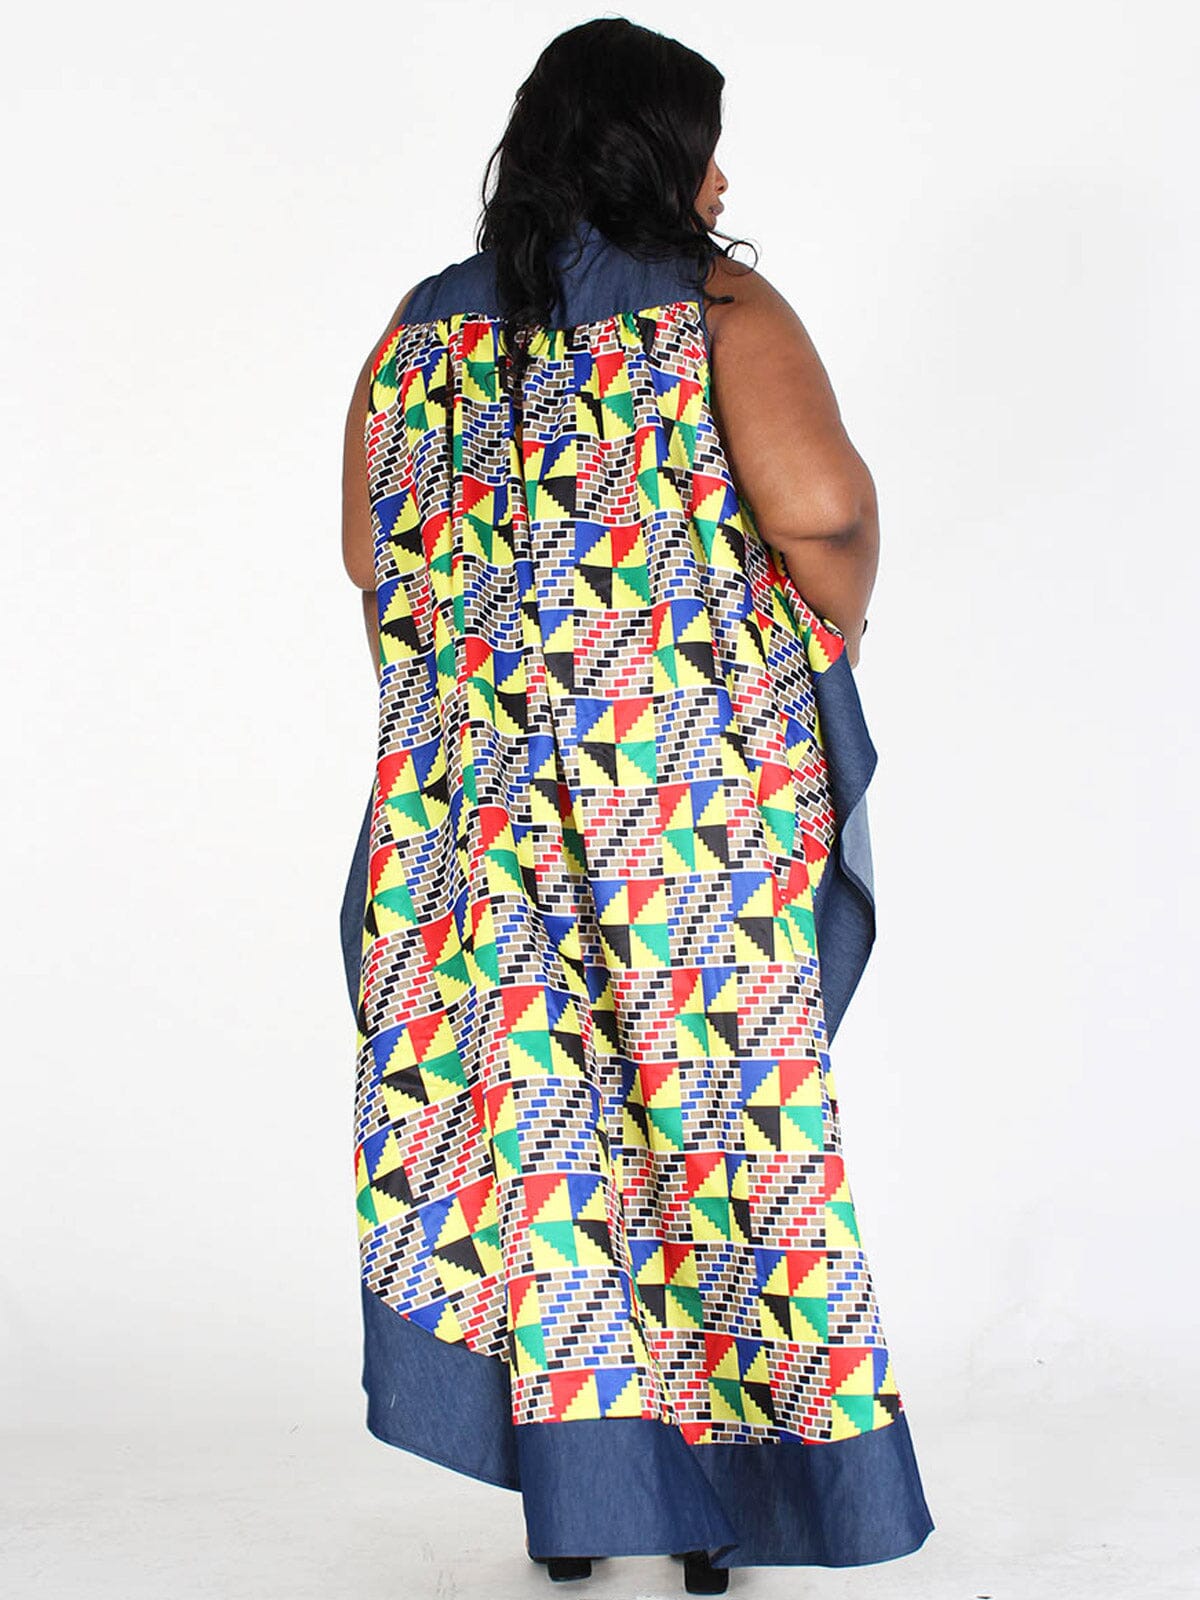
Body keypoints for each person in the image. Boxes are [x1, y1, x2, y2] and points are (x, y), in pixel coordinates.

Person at [338, 16, 933, 1594]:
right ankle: (725, 1502)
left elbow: (371, 555)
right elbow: (823, 510)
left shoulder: (423, 323)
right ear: (655, 153)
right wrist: (824, 632)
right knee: (718, 1124)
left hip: (477, 807)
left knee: (542, 1145)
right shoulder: (716, 307)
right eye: (704, 143)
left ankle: (589, 1494)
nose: (723, 177)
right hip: (685, 797)